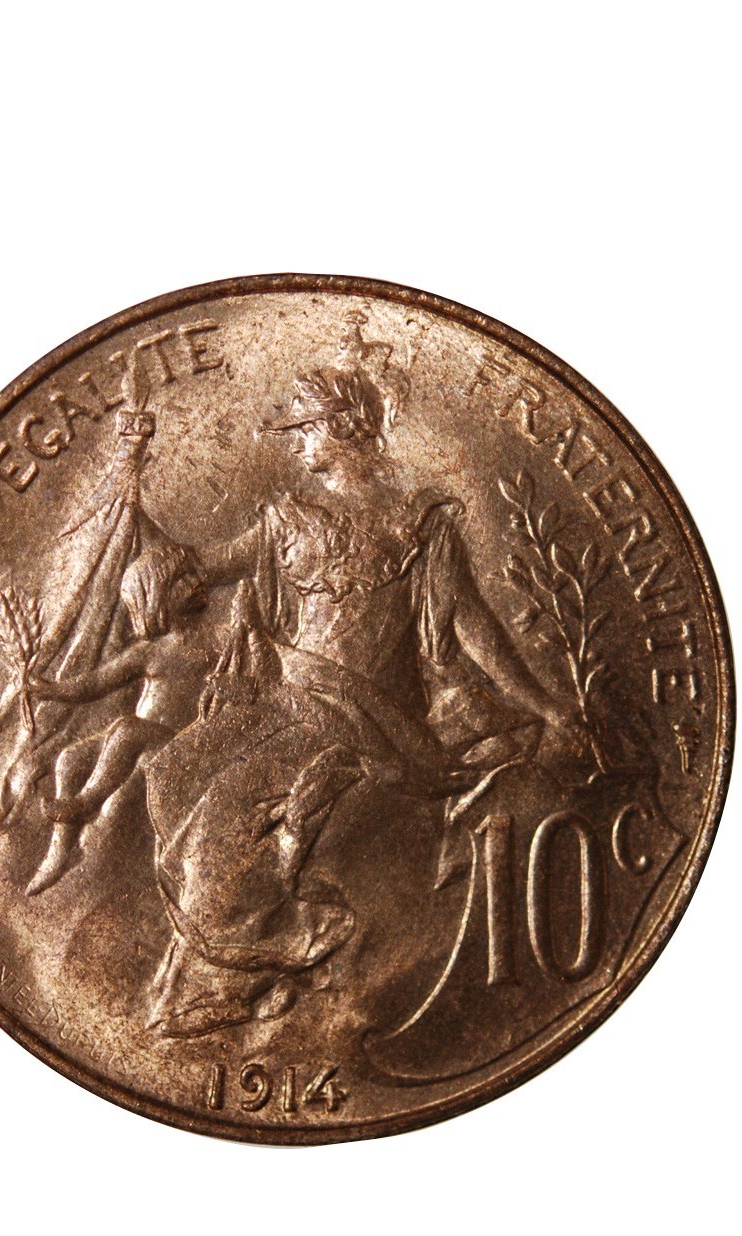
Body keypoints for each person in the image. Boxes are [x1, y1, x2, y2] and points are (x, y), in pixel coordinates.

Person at [141, 363, 583, 1037]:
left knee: (221, 818)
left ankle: (267, 958)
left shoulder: (417, 524)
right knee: (176, 768)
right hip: (293, 700)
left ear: (343, 427)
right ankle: (240, 960)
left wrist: (543, 703)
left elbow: (471, 625)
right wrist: (158, 565)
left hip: (368, 716)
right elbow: (205, 566)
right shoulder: (286, 520)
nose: (297, 445)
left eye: (305, 430)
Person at [24, 544, 215, 895]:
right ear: (156, 598)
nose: (196, 581)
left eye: (191, 573)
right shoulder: (149, 651)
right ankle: (60, 852)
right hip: (146, 736)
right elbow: (95, 683)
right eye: (182, 579)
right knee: (69, 759)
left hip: (182, 743)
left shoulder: (217, 640)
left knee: (127, 731)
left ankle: (85, 803)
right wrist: (51, 690)